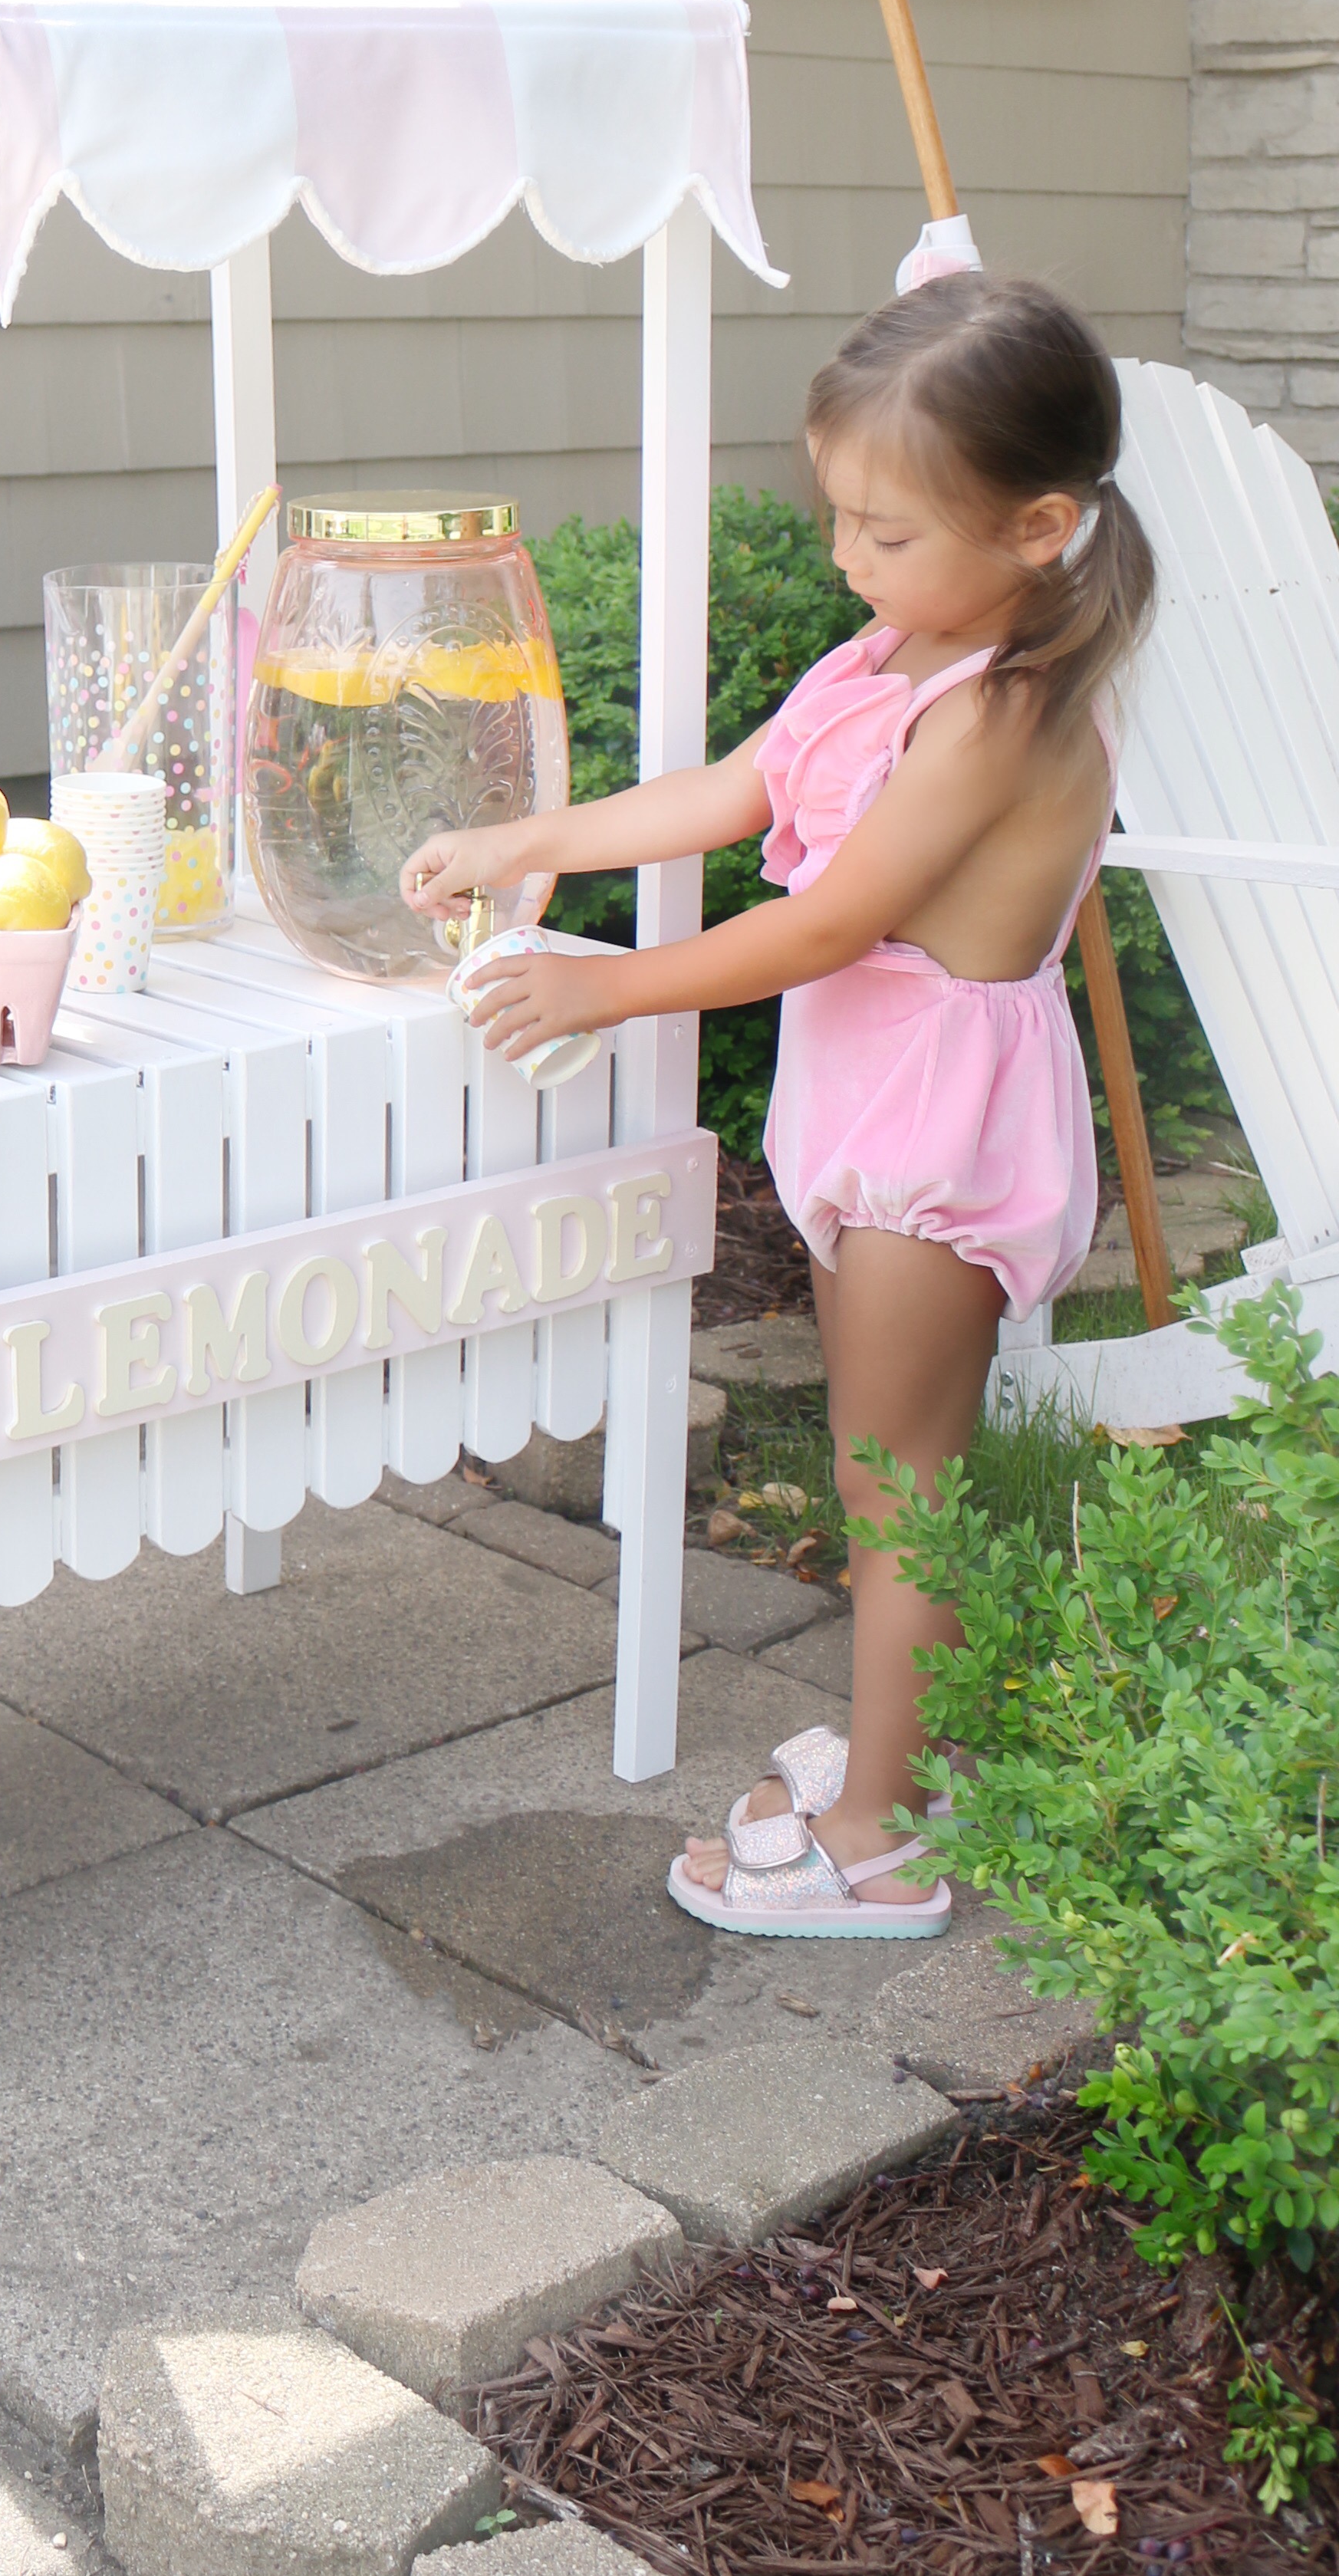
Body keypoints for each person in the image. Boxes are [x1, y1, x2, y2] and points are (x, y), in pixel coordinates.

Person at [399, 274, 1155, 1939]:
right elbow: (741, 787)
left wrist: (606, 986)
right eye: (840, 517)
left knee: (900, 1488)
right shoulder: (897, 651)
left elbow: (828, 925)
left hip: (936, 1132)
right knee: (885, 1467)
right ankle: (907, 1758)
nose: (846, 558)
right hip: (872, 1101)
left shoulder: (1001, 712)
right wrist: (535, 840)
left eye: (887, 531)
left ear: (1037, 527)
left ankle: (882, 1843)